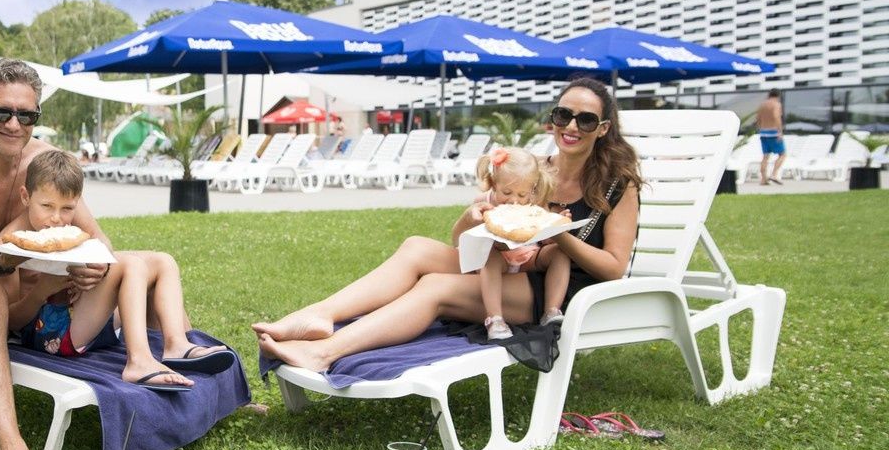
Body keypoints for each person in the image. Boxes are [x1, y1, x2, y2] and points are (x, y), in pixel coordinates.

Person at [0, 59, 219, 450]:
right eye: (2, 112)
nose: (14, 124)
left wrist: (90, 269)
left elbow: (100, 243)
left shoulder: (45, 163)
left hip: (38, 310)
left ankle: (195, 385)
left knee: (142, 268)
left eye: (27, 115)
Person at [254, 77, 642, 373]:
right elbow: (463, 244)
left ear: (603, 128)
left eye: (585, 119)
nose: (571, 126)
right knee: (416, 247)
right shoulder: (532, 172)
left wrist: (560, 236)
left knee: (436, 286)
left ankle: (324, 353)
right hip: (512, 265)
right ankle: (321, 315)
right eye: (563, 115)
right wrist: (470, 218)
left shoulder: (616, 186)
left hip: (555, 289)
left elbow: (614, 268)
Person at [0, 149, 229, 383]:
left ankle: (177, 344)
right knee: (131, 265)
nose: (57, 218)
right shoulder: (10, 244)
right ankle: (138, 361)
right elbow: (8, 320)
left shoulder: (68, 229)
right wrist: (41, 291)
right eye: (47, 206)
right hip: (49, 335)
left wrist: (98, 269)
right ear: (26, 197)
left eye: (67, 209)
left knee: (163, 261)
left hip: (85, 319)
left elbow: (101, 245)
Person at [472, 146, 572, 340]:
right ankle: (495, 319)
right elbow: (472, 238)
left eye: (521, 194)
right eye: (507, 192)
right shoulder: (483, 202)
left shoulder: (535, 204)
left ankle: (551, 311)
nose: (514, 201)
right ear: (494, 183)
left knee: (559, 252)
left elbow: (544, 239)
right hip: (497, 260)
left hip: (527, 257)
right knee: (489, 257)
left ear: (532, 189)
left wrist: (556, 226)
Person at [756, 89, 786, 185]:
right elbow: (776, 116)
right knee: (783, 154)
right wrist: (780, 131)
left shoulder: (762, 105)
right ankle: (774, 174)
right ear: (778, 96)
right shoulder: (776, 104)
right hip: (773, 132)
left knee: (765, 156)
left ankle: (763, 179)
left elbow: (758, 118)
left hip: (763, 132)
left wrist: (761, 128)